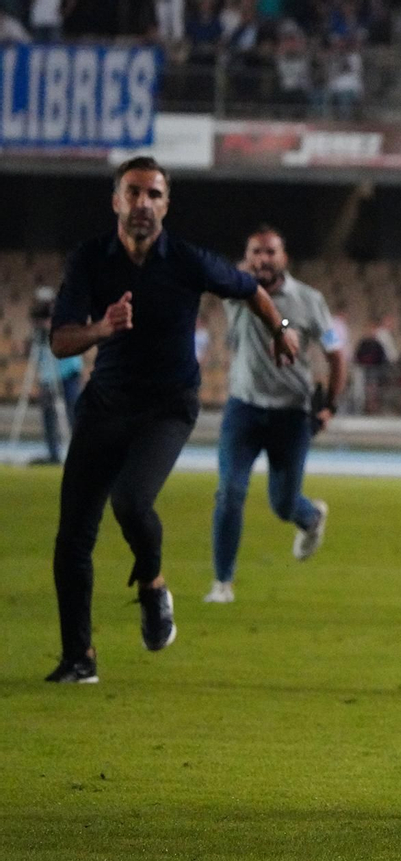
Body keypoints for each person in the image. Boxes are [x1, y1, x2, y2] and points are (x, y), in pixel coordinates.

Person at [46, 157, 299, 684]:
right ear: (116, 200)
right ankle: (79, 659)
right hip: (105, 404)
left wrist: (282, 330)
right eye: (133, 193)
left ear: (166, 204)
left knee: (132, 501)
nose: (143, 203)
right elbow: (60, 339)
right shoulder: (90, 259)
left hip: (168, 406)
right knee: (72, 538)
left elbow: (251, 289)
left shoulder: (187, 259)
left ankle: (153, 586)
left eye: (154, 194)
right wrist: (102, 328)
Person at [205, 226, 347, 605]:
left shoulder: (308, 299)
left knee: (282, 504)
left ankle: (310, 517)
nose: (262, 259)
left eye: (270, 252)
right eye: (255, 252)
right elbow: (212, 273)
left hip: (290, 414)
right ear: (246, 257)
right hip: (244, 408)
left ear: (285, 257)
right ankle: (222, 583)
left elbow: (335, 356)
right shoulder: (236, 292)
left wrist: (330, 404)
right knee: (229, 493)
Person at [29, 290, 84, 465]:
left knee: (71, 413)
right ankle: (53, 453)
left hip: (68, 372)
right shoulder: (38, 328)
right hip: (48, 375)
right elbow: (38, 353)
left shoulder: (66, 315)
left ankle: (79, 454)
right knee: (48, 414)